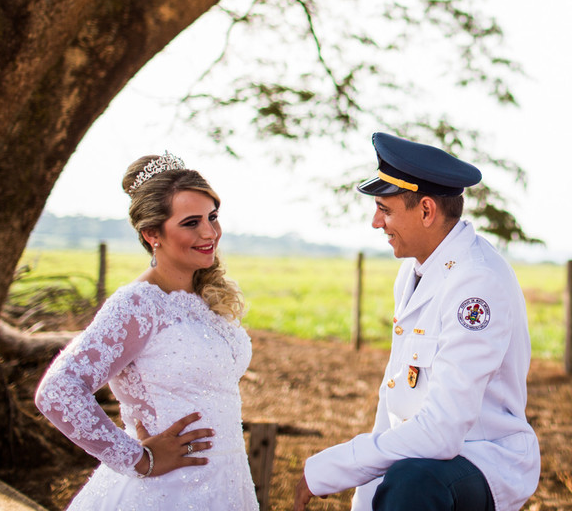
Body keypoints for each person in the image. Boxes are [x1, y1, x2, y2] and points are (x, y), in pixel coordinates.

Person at [293, 133, 539, 511]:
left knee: (413, 483)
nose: (376, 222)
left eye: (385, 210)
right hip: (425, 454)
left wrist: (335, 467)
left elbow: (441, 431)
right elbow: (396, 397)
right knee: (406, 478)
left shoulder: (476, 281)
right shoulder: (414, 271)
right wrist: (365, 499)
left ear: (426, 211)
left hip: (480, 458)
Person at [35, 152, 259, 511]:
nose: (209, 233)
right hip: (166, 493)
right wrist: (138, 458)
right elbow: (58, 391)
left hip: (227, 482)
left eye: (212, 217)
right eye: (190, 223)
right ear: (152, 234)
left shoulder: (204, 299)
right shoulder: (138, 305)